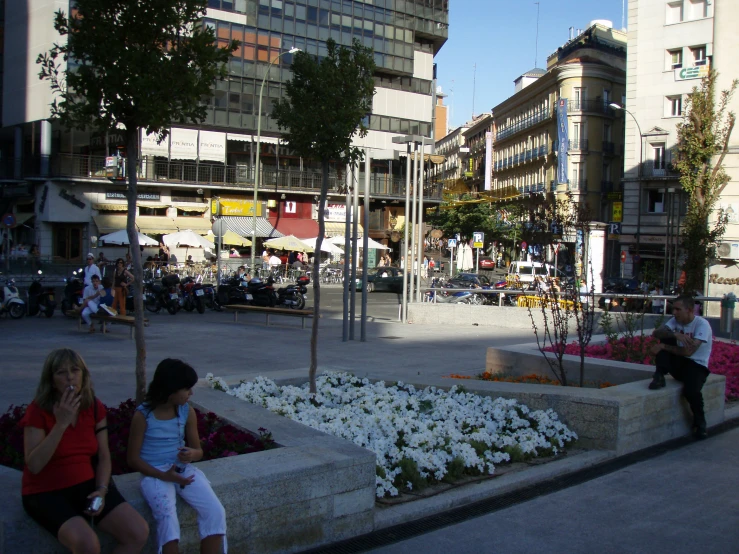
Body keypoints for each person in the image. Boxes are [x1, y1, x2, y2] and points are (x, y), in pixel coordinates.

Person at [20, 348, 149, 553]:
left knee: (137, 532)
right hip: (45, 491)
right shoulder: (38, 410)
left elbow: (104, 456)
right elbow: (34, 465)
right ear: (51, 380)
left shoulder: (94, 406)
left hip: (87, 485)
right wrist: (60, 424)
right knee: (88, 544)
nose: (70, 376)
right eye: (61, 372)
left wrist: (102, 490)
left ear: (84, 374)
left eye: (75, 370)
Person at [127, 359, 227, 554]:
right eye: (187, 389)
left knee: (215, 511)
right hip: (155, 474)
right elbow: (133, 459)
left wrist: (191, 454)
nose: (191, 393)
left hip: (182, 470)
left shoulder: (186, 412)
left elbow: (198, 451)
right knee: (167, 516)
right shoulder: (143, 416)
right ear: (171, 389)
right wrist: (164, 476)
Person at [649, 296, 713, 439]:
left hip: (697, 365)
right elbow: (656, 333)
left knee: (691, 392)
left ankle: (700, 423)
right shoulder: (675, 322)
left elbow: (688, 352)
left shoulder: (702, 325)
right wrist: (674, 334)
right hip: (680, 363)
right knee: (665, 337)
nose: (675, 312)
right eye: (674, 309)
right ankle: (659, 376)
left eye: (678, 309)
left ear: (689, 310)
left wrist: (663, 346)